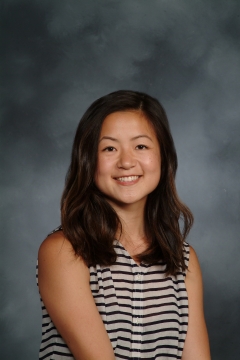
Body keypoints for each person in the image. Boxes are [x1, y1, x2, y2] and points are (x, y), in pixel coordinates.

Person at [37, 90, 211, 360]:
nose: (127, 162)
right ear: (88, 161)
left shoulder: (183, 258)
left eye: (141, 146)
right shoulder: (63, 251)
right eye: (109, 148)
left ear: (163, 157)